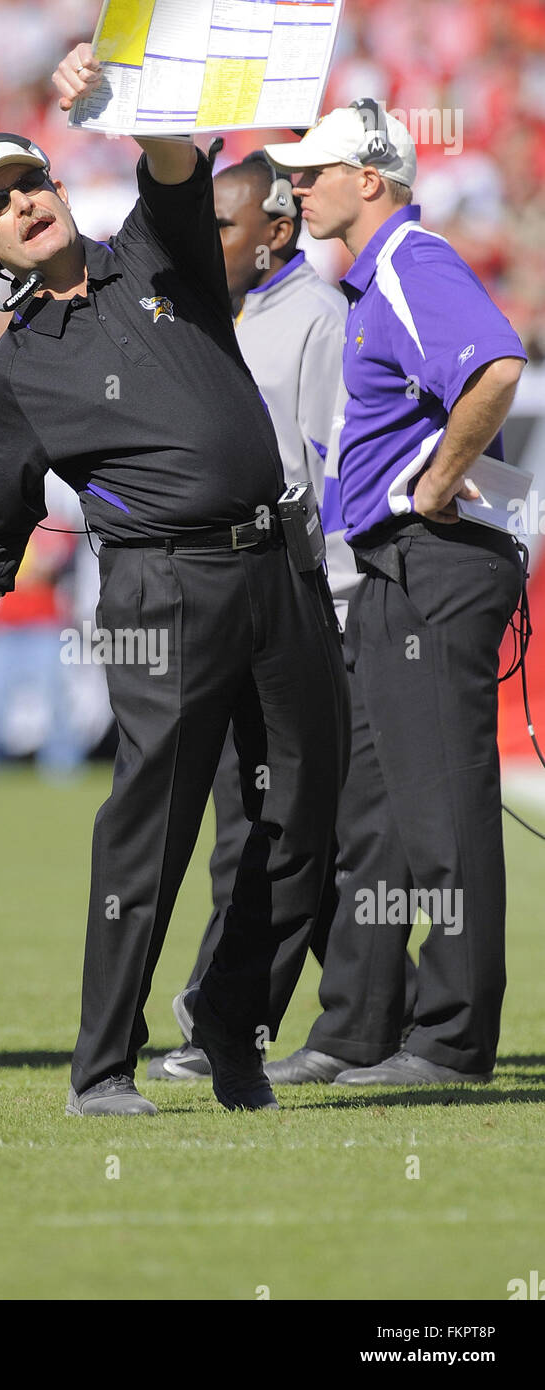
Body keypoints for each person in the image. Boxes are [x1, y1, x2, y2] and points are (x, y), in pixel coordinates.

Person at [0, 44, 349, 1117]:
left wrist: (121, 100)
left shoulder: (154, 251)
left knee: (307, 815)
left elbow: (176, 163)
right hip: (163, 595)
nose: (24, 202)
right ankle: (103, 1065)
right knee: (154, 825)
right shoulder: (11, 375)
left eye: (28, 178)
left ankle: (231, 1018)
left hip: (279, 567)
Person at [259, 100, 526, 1087]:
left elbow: (496, 365)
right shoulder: (377, 281)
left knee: (439, 807)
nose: (295, 186)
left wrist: (440, 478)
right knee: (368, 817)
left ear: (369, 178)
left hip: (431, 559)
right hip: (389, 568)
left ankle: (451, 1041)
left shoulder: (411, 262)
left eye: (310, 171)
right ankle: (357, 1026)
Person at [149, 148, 361, 1081]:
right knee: (250, 816)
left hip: (304, 603)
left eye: (223, 224)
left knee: (277, 823)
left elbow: (337, 470)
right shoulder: (207, 315)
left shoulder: (317, 319)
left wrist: (342, 605)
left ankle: (224, 1020)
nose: (207, 239)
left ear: (277, 233)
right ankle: (360, 1009)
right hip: (225, 599)